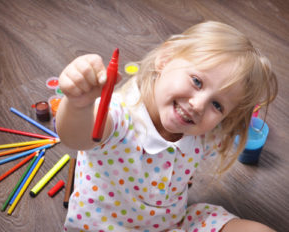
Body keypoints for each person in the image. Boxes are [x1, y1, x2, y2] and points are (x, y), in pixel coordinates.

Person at [56, 21, 278, 232]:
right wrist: (78, 106)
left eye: (217, 105)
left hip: (171, 225)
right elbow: (76, 137)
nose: (198, 105)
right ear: (165, 58)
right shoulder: (120, 114)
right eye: (197, 81)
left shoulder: (205, 133)